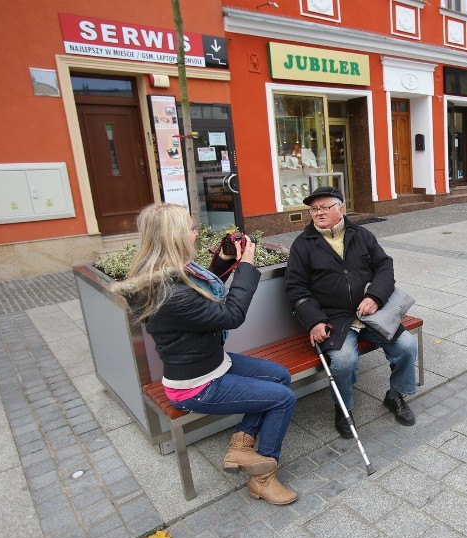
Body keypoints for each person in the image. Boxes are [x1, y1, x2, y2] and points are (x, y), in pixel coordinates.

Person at [114, 203, 298, 505]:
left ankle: (241, 444)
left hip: (212, 366)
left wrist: (224, 259)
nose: (196, 232)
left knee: (279, 376)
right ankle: (263, 477)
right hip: (195, 386)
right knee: (283, 398)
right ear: (174, 237)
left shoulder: (166, 276)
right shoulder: (170, 294)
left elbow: (200, 299)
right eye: (190, 227)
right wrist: (246, 266)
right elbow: (230, 314)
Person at [285, 186, 418, 438]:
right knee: (344, 360)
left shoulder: (362, 234)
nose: (318, 213)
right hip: (333, 318)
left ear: (341, 209)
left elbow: (384, 266)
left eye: (325, 207)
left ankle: (395, 395)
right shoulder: (303, 245)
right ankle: (343, 408)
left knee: (407, 346)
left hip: (371, 312)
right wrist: (314, 321)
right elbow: (295, 289)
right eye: (314, 209)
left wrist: (375, 296)